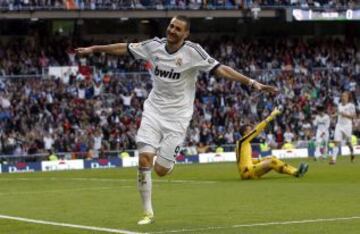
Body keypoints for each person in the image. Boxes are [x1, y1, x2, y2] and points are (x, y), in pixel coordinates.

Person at [75, 15, 278, 225]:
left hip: (178, 118)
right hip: (153, 111)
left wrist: (254, 83)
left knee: (161, 170)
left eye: (178, 29)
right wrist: (94, 49)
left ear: (186, 34)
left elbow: (222, 69)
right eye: (171, 26)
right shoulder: (153, 46)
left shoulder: (193, 52)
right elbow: (124, 48)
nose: (172, 31)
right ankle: (147, 213)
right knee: (144, 160)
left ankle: (169, 159)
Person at [236, 108, 309, 180]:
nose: (251, 131)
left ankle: (296, 171)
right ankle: (295, 172)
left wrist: (261, 159)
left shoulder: (244, 144)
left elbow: (246, 160)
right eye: (250, 130)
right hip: (247, 172)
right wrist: (270, 117)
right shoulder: (242, 142)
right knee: (272, 162)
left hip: (249, 170)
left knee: (272, 158)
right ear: (245, 132)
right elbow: (257, 130)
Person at [330, 92, 357, 164]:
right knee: (336, 142)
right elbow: (339, 113)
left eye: (345, 96)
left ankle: (352, 153)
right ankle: (333, 159)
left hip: (347, 126)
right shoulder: (339, 105)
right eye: (342, 96)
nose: (343, 97)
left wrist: (344, 114)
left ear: (348, 97)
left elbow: (353, 116)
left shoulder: (351, 105)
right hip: (339, 125)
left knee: (348, 143)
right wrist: (333, 115)